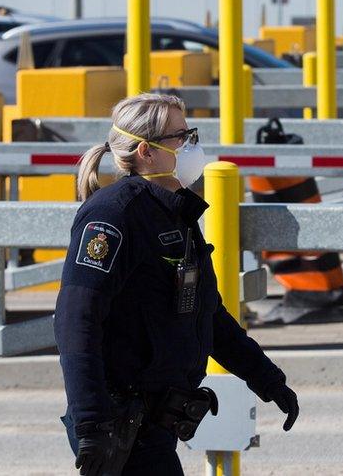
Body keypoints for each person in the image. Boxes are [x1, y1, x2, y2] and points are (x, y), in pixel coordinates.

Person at [54, 93, 298, 475]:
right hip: (119, 422)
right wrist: (91, 423)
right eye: (180, 136)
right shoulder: (114, 214)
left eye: (190, 134)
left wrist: (267, 379)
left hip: (155, 423)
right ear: (145, 151)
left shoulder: (173, 211)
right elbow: (76, 321)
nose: (190, 146)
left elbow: (207, 315)